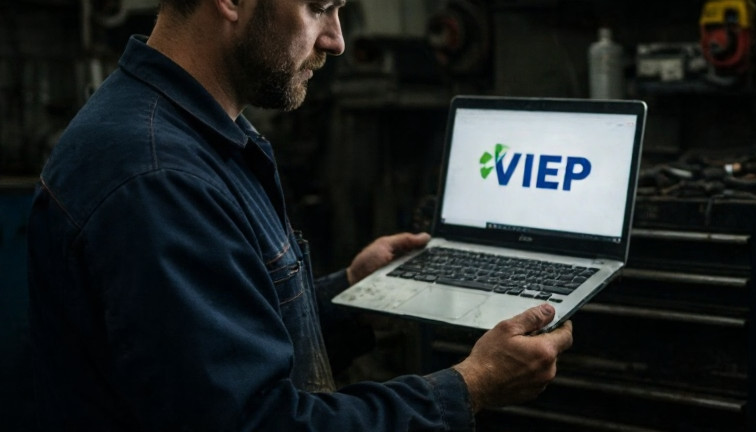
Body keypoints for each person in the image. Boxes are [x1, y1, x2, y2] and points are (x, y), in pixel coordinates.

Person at [26, 0, 573, 430]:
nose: (336, 40)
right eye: (318, 7)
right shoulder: (159, 177)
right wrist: (469, 386)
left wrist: (352, 298)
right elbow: (259, 421)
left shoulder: (194, 134)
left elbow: (222, 344)